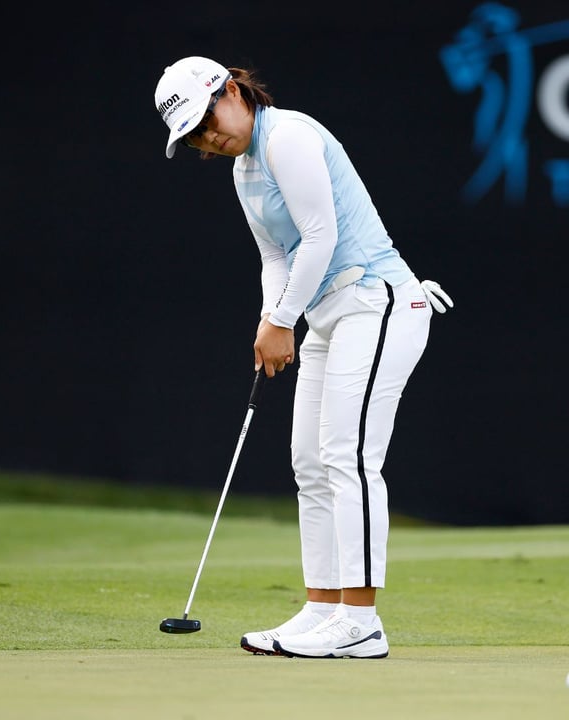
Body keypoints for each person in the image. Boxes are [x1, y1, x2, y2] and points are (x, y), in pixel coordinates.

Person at [153, 58, 452, 658]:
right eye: (195, 137)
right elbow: (276, 257)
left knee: (348, 457)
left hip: (378, 301)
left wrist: (280, 321)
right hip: (326, 315)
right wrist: (274, 319)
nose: (209, 137)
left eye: (207, 119)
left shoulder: (287, 135)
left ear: (232, 90)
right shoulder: (245, 171)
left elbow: (322, 237)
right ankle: (323, 608)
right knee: (310, 463)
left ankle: (361, 622)